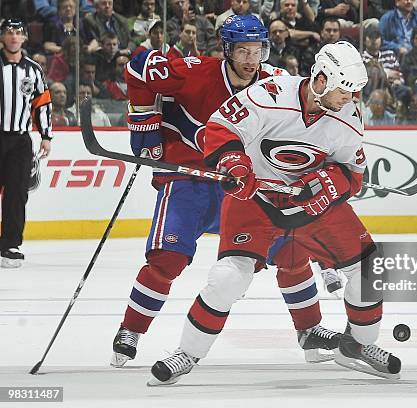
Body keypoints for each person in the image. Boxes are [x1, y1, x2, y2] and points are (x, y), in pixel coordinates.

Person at [147, 41, 401, 386]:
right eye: (345, 90)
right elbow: (221, 128)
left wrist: (328, 184)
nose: (350, 99)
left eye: (355, 92)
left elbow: (353, 176)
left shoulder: (349, 119)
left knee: (370, 267)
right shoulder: (271, 94)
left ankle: (356, 346)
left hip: (311, 204)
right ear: (322, 79)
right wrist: (234, 162)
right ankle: (187, 353)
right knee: (228, 278)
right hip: (255, 197)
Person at [112, 15, 343, 368]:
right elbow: (139, 69)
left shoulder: (274, 84)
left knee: (291, 250)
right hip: (189, 180)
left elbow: (301, 120)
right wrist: (144, 123)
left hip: (242, 185)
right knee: (167, 259)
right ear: (227, 50)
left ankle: (310, 330)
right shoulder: (196, 72)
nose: (252, 60)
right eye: (243, 51)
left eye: (258, 51)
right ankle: (131, 330)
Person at [0, 19, 52, 268]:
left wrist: (46, 136)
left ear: (23, 38)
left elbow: (42, 104)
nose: (13, 37)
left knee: (16, 193)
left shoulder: (33, 70)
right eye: (9, 32)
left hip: (20, 140)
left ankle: (10, 244)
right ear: (2, 37)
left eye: (17, 33)